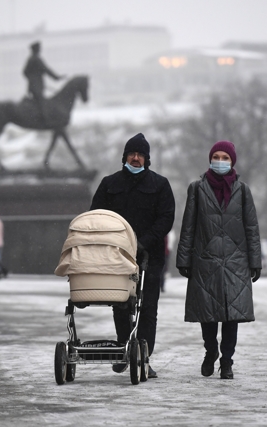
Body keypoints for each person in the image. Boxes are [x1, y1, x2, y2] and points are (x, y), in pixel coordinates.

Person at [90, 132, 175, 378]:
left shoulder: (160, 185)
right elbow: (96, 215)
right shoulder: (109, 184)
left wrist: (143, 242)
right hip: (117, 255)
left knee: (148, 308)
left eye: (140, 154)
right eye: (131, 153)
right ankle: (125, 350)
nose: (135, 158)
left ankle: (144, 358)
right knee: (120, 303)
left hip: (151, 256)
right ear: (125, 156)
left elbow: (165, 218)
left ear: (147, 159)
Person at [176, 140, 262, 380]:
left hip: (236, 261)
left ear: (232, 161)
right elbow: (188, 226)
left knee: (231, 315)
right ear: (210, 159)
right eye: (217, 156)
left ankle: (226, 361)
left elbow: (252, 228)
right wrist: (184, 259)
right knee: (208, 314)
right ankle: (211, 350)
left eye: (225, 157)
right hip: (206, 260)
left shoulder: (243, 191)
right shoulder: (197, 188)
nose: (221, 161)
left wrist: (255, 261)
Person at [22, 41, 63, 125]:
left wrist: (31, 78)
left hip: (34, 85)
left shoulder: (31, 59)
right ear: (36, 49)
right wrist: (56, 77)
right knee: (41, 102)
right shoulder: (36, 59)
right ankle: (45, 120)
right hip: (36, 86)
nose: (40, 49)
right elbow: (46, 69)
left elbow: (25, 72)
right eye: (39, 48)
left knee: (39, 101)